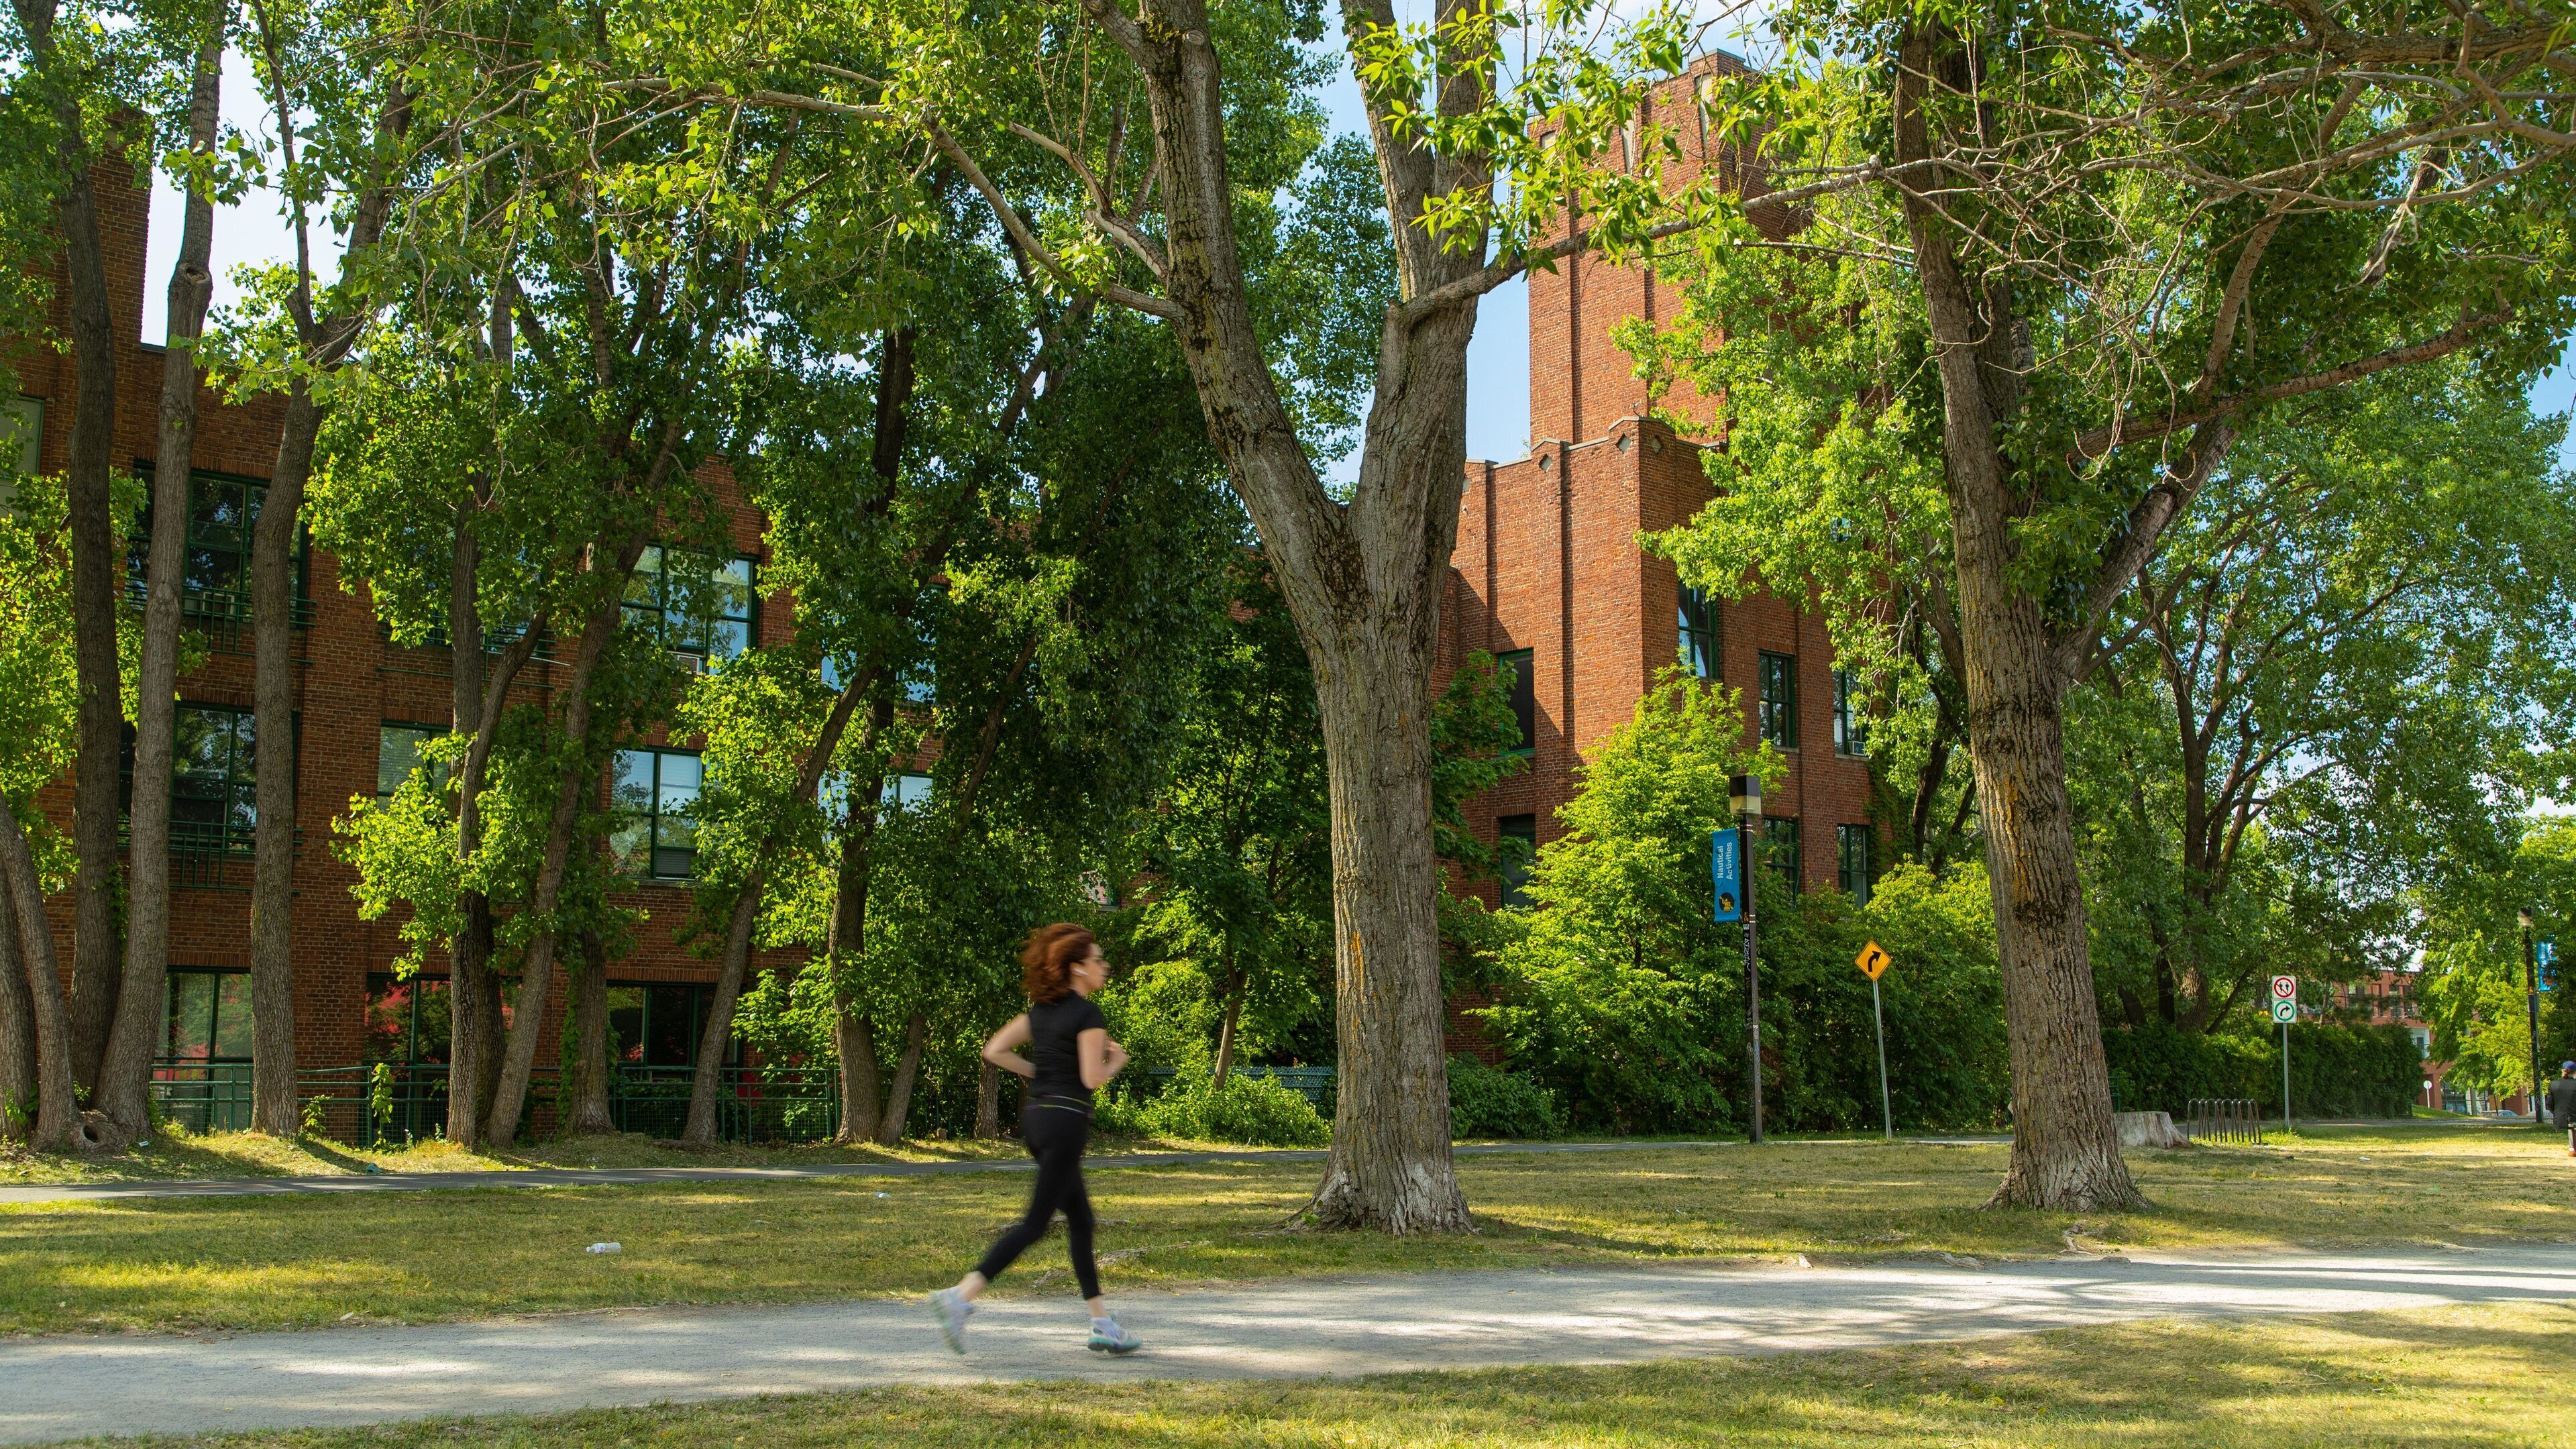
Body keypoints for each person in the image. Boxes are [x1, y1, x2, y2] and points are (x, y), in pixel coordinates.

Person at [928, 922, 1141, 1355]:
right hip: (1066, 1122)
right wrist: (1116, 1060)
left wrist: (1039, 1074)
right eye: (1098, 960)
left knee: (1081, 1220)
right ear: (1077, 968)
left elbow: (994, 1050)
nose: (1105, 966)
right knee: (1035, 1223)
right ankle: (961, 1295)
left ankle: (1102, 1323)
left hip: (1038, 1120)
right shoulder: (1088, 1015)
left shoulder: (1039, 1013)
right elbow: (1092, 1078)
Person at [2548, 1062, 2576, 1159]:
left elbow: (2550, 1103)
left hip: (2562, 1116)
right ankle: (2573, 1148)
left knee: (2572, 1125)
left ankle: (2572, 1149)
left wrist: (2556, 1112)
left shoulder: (2554, 1085)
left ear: (2562, 1071)